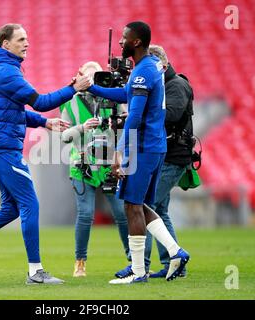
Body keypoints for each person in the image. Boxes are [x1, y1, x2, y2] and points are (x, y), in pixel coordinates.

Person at [0, 23, 91, 285]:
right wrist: (74, 87)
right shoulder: (7, 72)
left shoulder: (4, 69)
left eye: (27, 38)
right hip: (3, 148)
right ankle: (35, 272)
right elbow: (41, 101)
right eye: (21, 39)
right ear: (5, 44)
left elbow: (13, 111)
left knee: (11, 209)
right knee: (30, 204)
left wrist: (44, 123)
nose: (27, 43)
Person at [86, 21, 190, 284]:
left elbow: (134, 115)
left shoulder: (143, 71)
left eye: (124, 37)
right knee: (141, 205)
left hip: (143, 147)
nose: (120, 42)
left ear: (137, 42)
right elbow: (126, 94)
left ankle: (138, 272)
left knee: (132, 205)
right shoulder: (149, 66)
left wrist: (120, 152)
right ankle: (176, 252)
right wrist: (92, 88)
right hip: (154, 146)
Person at [114, 45, 194, 279]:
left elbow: (171, 114)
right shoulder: (162, 82)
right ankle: (172, 259)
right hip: (163, 152)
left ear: (163, 65)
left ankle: (142, 265)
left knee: (138, 205)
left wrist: (140, 107)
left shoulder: (177, 84)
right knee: (156, 208)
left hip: (170, 154)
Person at [60, 61, 130, 277]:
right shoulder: (69, 102)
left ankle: (134, 260)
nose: (91, 84)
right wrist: (82, 127)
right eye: (87, 79)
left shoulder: (113, 97)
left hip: (111, 165)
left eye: (95, 79)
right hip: (82, 166)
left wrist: (119, 119)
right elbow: (64, 137)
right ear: (79, 77)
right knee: (85, 213)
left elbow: (128, 124)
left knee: (121, 213)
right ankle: (80, 262)